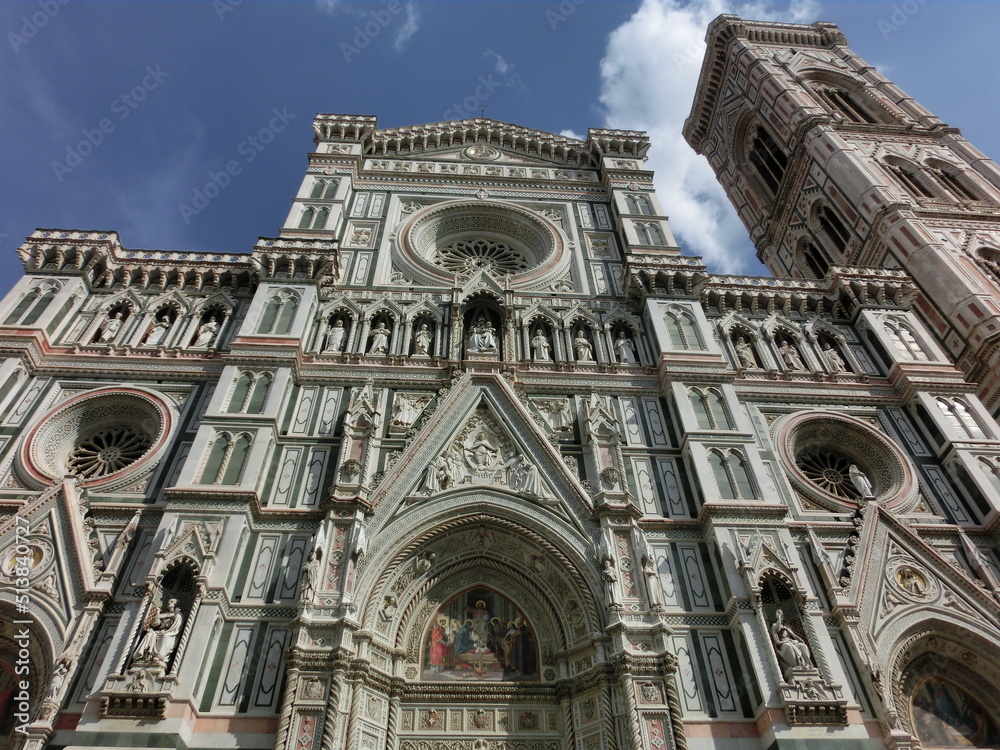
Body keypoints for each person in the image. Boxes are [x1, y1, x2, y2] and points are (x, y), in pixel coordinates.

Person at [133, 598, 184, 666]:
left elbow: (175, 628)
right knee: (150, 634)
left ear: (176, 604)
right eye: (169, 602)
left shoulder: (178, 615)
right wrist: (157, 614)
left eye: (172, 602)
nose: (169, 603)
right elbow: (157, 624)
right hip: (159, 631)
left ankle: (160, 657)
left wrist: (165, 631)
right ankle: (143, 656)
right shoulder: (163, 614)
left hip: (170, 633)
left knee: (166, 636)